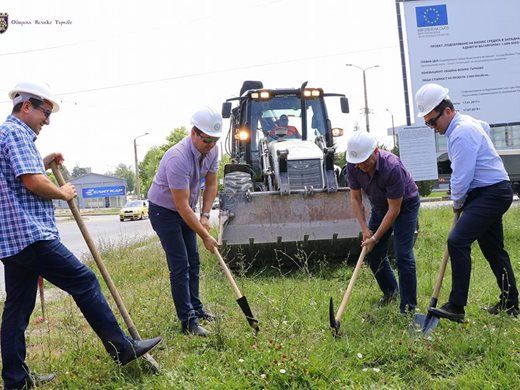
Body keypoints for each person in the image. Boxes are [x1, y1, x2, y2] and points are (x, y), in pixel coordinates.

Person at [0, 81, 161, 389]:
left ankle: (16, 381)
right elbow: (32, 183)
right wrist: (61, 192)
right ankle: (122, 350)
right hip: (31, 235)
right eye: (45, 112)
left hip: (12, 240)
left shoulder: (6, 134)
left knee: (17, 312)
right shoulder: (18, 133)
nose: (47, 120)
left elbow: (19, 177)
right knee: (84, 281)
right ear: (26, 107)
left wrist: (44, 163)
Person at [416, 83, 519, 322]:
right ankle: (511, 303)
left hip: (490, 193)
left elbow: (462, 176)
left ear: (448, 111)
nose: (432, 127)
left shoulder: (462, 133)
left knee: (457, 241)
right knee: (493, 249)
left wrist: (457, 202)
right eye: (428, 123)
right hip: (489, 192)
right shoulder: (465, 126)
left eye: (433, 121)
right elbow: (485, 126)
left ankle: (456, 305)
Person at [148, 106, 221, 337]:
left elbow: (211, 185)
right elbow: (182, 206)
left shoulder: (213, 150)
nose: (210, 146)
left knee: (194, 261)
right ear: (194, 133)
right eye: (207, 140)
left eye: (215, 141)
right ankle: (188, 322)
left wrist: (206, 214)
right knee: (180, 265)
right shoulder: (177, 158)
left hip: (186, 209)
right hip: (164, 212)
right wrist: (205, 236)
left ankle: (197, 309)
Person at [345, 131, 420, 314]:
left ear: (376, 151)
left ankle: (408, 306)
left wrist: (376, 236)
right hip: (379, 206)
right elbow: (355, 199)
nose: (362, 166)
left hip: (405, 206)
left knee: (403, 254)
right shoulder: (353, 165)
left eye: (365, 161)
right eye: (358, 163)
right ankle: (390, 292)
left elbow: (394, 209)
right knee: (372, 252)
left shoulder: (392, 167)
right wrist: (366, 231)